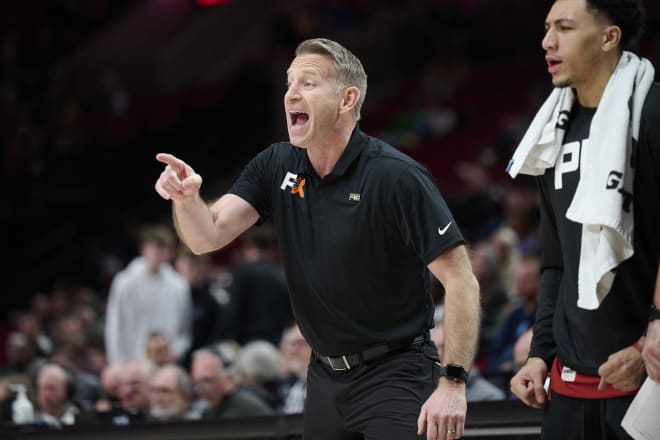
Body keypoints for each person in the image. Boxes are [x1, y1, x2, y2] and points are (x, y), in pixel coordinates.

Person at [155, 37, 480, 440]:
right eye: (289, 83)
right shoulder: (276, 164)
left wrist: (452, 382)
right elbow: (207, 237)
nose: (291, 93)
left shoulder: (396, 177)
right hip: (324, 377)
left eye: (307, 83)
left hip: (396, 372)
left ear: (347, 99)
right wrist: (186, 200)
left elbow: (462, 280)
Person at [506, 1, 660, 438]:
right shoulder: (550, 131)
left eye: (565, 28)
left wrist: (650, 335)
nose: (547, 42)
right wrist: (540, 353)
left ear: (609, 37)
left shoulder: (652, 114)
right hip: (569, 390)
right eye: (547, 28)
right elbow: (556, 261)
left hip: (645, 379)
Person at [104, 225, 193, 364]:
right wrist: (117, 361)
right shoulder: (125, 282)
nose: (159, 253)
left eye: (164, 248)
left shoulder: (179, 286)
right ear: (144, 249)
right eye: (155, 247)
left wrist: (175, 353)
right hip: (131, 360)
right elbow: (115, 325)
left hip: (166, 361)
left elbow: (185, 329)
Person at [189, 349, 273, 419]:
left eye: (207, 381)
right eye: (196, 382)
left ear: (228, 381)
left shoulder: (243, 407)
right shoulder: (207, 410)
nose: (199, 388)